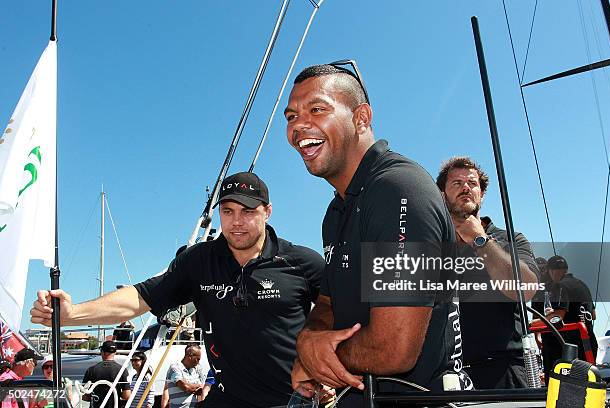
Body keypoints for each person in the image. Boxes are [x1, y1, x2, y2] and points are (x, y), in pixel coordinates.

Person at [31, 171, 324, 408]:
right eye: (228, 211)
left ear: (267, 212)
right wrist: (70, 314)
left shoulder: (302, 262)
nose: (236, 222)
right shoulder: (198, 261)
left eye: (248, 211)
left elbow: (343, 311)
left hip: (294, 399)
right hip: (228, 397)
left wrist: (326, 369)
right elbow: (140, 298)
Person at [284, 62, 462, 406]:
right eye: (291, 117)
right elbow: (328, 301)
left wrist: (314, 360)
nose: (299, 125)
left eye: (317, 109)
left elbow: (393, 349)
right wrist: (309, 338)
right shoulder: (337, 211)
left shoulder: (397, 189)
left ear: (361, 118)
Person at [436, 156, 539, 389]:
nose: (465, 188)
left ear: (481, 194)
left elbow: (525, 289)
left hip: (502, 372)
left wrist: (479, 240)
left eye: (472, 184)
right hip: (444, 376)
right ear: (442, 195)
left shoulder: (510, 240)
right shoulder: (432, 246)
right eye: (456, 183)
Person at [542, 255, 598, 375]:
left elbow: (558, 316)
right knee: (588, 383)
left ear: (551, 271)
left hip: (572, 349)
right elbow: (593, 315)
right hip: (589, 345)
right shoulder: (582, 285)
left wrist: (533, 323)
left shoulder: (560, 285)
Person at [82, 341, 131, 408]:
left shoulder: (91, 370)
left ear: (102, 352)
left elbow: (86, 397)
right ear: (115, 352)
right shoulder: (122, 370)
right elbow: (127, 395)